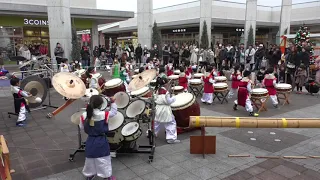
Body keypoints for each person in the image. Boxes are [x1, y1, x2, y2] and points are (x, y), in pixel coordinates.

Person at [80, 95, 117, 180]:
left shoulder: (84, 115)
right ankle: (107, 176)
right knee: (104, 159)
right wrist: (113, 102)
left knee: (90, 159)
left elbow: (82, 127)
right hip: (101, 141)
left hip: (90, 140)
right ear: (101, 105)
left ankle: (89, 174)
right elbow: (114, 112)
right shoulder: (104, 114)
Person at [154, 77, 180, 144]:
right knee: (170, 122)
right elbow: (168, 102)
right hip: (165, 109)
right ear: (165, 84)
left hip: (158, 108)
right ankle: (171, 138)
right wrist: (174, 98)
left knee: (157, 122)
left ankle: (153, 133)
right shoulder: (166, 92)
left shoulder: (157, 90)